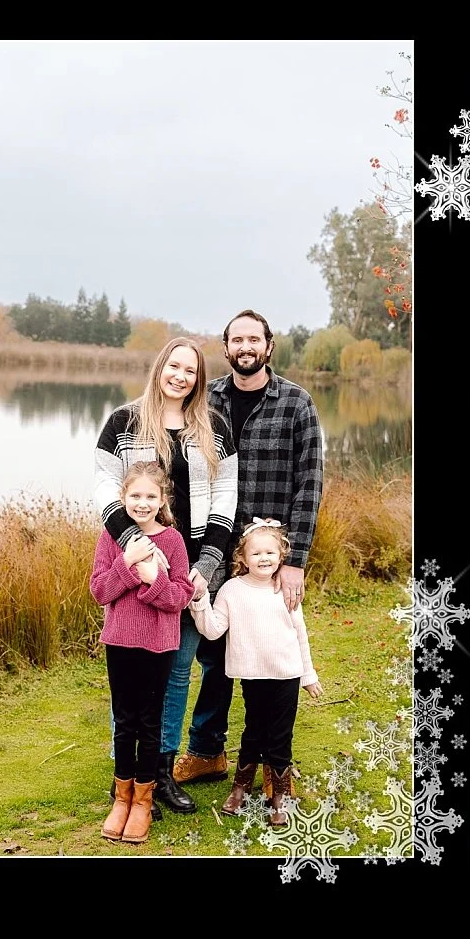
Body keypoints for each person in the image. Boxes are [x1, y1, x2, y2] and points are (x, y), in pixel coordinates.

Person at [177, 310, 327, 790]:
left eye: (253, 339)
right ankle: (207, 752)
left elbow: (310, 485)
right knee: (215, 654)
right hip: (215, 548)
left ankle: (270, 760)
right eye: (236, 339)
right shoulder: (208, 400)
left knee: (272, 655)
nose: (245, 347)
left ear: (268, 345)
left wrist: (296, 560)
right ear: (226, 348)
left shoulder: (296, 403)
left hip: (270, 557)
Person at [92, 336, 237, 815]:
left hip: (193, 569)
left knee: (176, 675)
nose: (180, 376)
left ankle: (161, 774)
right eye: (173, 366)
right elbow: (104, 489)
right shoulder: (122, 422)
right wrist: (133, 544)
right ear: (160, 368)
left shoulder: (214, 427)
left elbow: (225, 498)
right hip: (137, 568)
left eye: (191, 370)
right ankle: (127, 776)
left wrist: (206, 567)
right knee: (133, 676)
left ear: (199, 379)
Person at [88, 461, 197, 843]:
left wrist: (155, 580)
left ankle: (143, 801)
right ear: (123, 499)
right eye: (135, 495)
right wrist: (130, 563)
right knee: (124, 721)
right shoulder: (110, 537)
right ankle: (122, 798)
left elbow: (181, 597)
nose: (142, 502)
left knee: (150, 723)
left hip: (158, 643)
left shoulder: (173, 542)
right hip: (119, 641)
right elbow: (100, 590)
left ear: (162, 500)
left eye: (151, 496)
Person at [188, 519, 322, 828]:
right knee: (253, 731)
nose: (264, 559)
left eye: (270, 553)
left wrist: (309, 675)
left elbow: (300, 634)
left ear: (281, 555)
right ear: (243, 558)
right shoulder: (232, 591)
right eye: (256, 553)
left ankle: (280, 795)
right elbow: (212, 630)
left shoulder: (284, 589)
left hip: (286, 674)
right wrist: (199, 601)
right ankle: (241, 787)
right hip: (252, 674)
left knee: (280, 736)